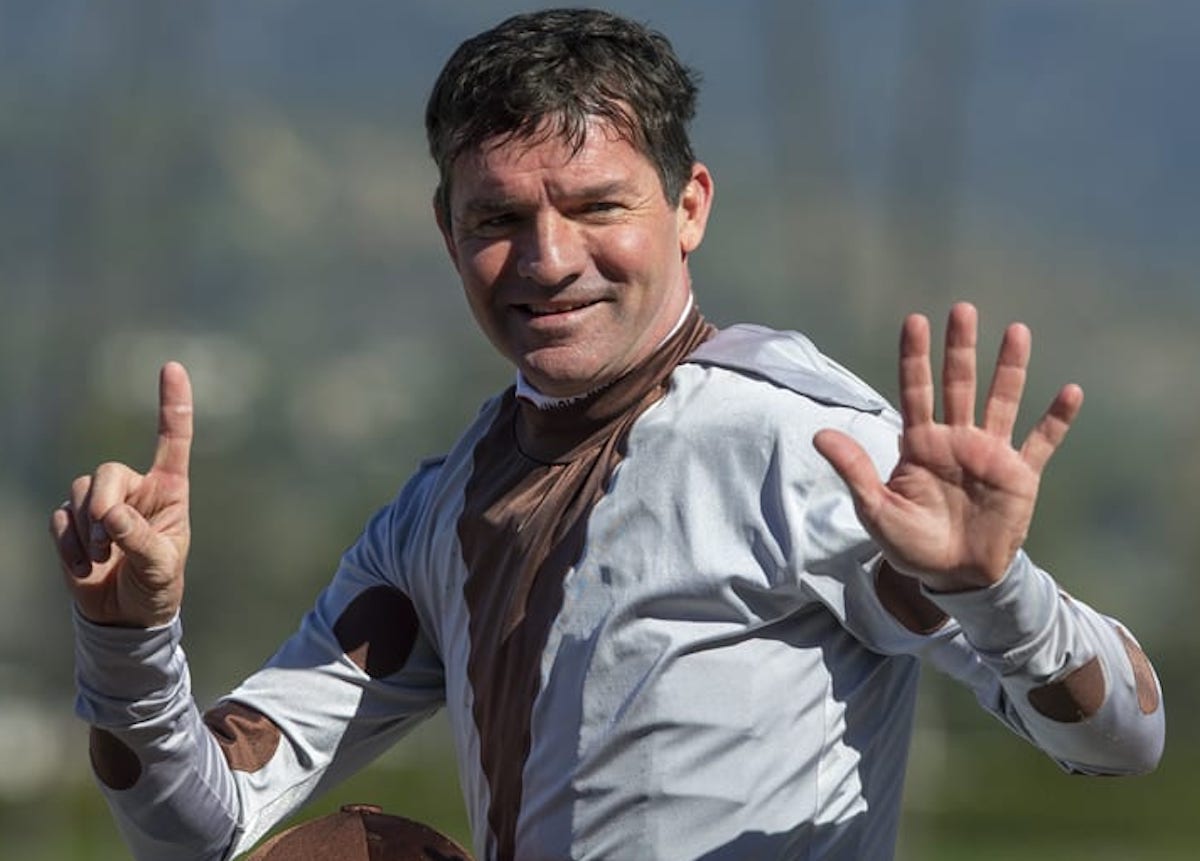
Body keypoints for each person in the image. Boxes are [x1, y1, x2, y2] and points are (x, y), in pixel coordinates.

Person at [51, 8, 1164, 861]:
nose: (546, 260)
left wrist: (997, 590)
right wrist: (129, 640)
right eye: (498, 220)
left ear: (689, 208)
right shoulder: (441, 511)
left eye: (596, 207)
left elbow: (1119, 741)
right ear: (447, 233)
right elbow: (194, 826)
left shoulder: (800, 448)